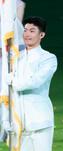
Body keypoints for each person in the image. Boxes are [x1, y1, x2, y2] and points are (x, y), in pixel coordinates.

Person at [2, 16, 57, 151]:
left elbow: (36, 81)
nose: (27, 34)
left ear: (41, 35)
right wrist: (6, 118)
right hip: (20, 121)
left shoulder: (49, 58)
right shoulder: (15, 58)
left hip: (40, 120)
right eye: (25, 30)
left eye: (32, 30)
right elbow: (7, 91)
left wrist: (13, 81)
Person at [0, 0, 26, 142]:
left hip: (10, 49)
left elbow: (15, 25)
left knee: (8, 87)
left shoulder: (15, 3)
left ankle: (9, 123)